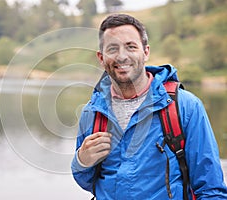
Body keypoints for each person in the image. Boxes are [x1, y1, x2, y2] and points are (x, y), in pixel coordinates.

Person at [71, 13, 227, 199]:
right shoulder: (91, 112)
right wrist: (82, 161)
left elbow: (211, 189)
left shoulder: (186, 106)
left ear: (145, 52)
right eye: (112, 48)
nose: (122, 56)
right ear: (101, 58)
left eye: (131, 47)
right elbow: (88, 181)